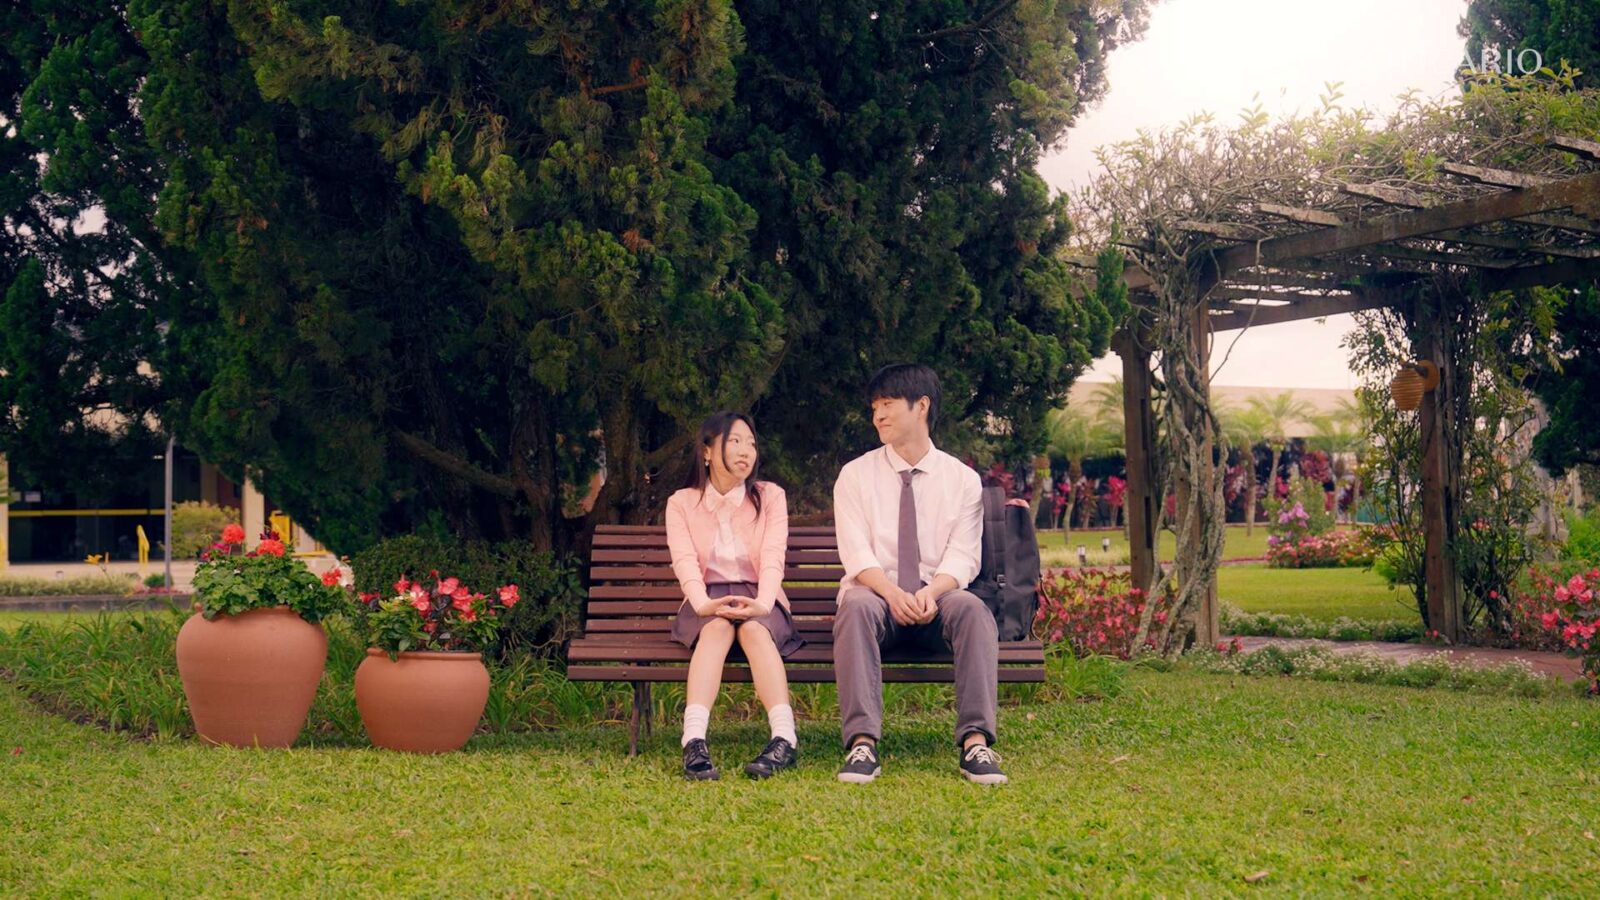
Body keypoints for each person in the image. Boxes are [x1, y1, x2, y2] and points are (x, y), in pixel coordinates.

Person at [831, 364, 1006, 785]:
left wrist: (932, 591)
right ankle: (862, 744)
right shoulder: (855, 475)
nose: (878, 415)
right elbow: (856, 553)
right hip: (878, 600)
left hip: (936, 601)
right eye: (874, 407)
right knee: (855, 603)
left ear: (921, 406)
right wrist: (892, 593)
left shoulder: (961, 480)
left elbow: (964, 555)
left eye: (888, 404)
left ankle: (975, 742)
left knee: (971, 608)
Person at [665, 411, 803, 780]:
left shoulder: (770, 497)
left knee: (755, 630)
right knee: (716, 629)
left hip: (761, 594)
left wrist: (764, 603)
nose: (746, 451)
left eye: (751, 443)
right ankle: (694, 740)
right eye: (735, 441)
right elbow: (684, 561)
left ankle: (784, 738)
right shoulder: (681, 502)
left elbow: (773, 556)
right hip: (705, 598)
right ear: (707, 451)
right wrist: (702, 605)